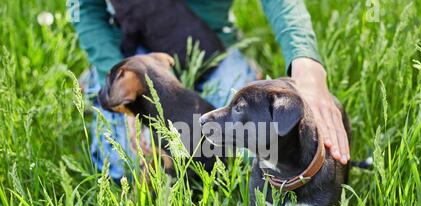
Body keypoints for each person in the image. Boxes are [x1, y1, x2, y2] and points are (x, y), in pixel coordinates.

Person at [72, 0, 349, 183]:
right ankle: (103, 80)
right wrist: (117, 79)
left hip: (212, 46)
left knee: (255, 161)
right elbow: (85, 8)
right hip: (132, 56)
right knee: (125, 171)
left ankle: (237, 71)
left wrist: (307, 66)